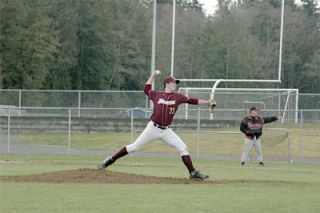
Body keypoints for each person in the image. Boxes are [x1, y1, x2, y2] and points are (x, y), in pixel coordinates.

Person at [98, 70, 216, 180]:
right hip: (153, 128)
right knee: (134, 147)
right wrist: (152, 76)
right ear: (167, 84)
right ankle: (110, 160)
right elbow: (146, 89)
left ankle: (193, 173)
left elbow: (192, 100)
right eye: (174, 82)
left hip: (166, 131)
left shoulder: (178, 97)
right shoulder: (156, 95)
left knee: (183, 147)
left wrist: (206, 102)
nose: (175, 84)